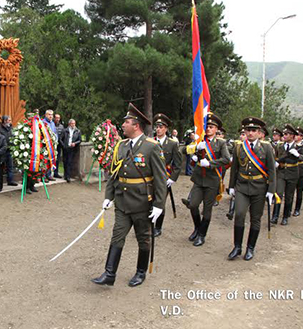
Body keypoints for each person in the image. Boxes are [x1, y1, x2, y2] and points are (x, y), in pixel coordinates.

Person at [92, 103, 166, 287]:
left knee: (143, 238)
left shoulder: (151, 147)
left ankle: (140, 272)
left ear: (136, 125)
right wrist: (108, 197)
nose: (122, 125)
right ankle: (109, 273)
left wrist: (159, 205)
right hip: (122, 202)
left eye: (126, 122)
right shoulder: (121, 146)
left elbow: (160, 178)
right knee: (117, 235)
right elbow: (113, 174)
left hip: (142, 203)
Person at [227, 117, 276, 260]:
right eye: (247, 130)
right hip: (242, 186)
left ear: (259, 132)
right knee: (240, 214)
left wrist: (271, 191)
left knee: (255, 218)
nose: (250, 133)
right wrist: (231, 186)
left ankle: (250, 248)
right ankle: (237, 246)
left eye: (253, 130)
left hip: (259, 188)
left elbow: (272, 170)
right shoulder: (239, 147)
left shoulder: (266, 147)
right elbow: (235, 168)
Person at [182, 113, 230, 247]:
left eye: (211, 127)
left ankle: (202, 235)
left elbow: (226, 159)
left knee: (207, 210)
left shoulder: (221, 143)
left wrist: (210, 163)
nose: (208, 129)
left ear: (216, 129)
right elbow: (183, 150)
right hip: (198, 179)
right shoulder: (199, 140)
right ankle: (197, 228)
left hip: (212, 179)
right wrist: (196, 150)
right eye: (206, 126)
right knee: (192, 204)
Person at [272, 124, 303, 226]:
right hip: (282, 172)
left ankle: (285, 216)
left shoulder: (298, 147)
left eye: (287, 134)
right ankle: (275, 216)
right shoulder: (280, 146)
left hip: (293, 173)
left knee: (289, 196)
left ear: (292, 136)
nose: (285, 136)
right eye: (284, 134)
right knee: (278, 193)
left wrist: (298, 155)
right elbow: (276, 157)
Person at [151, 113, 182, 237]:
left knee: (160, 202)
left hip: (164, 177)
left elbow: (178, 164)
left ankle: (158, 227)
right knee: (148, 201)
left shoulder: (172, 144)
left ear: (166, 128)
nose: (158, 129)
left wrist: (172, 178)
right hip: (150, 176)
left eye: (161, 126)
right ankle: (148, 225)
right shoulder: (150, 141)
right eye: (157, 126)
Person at [293, 127, 303, 217]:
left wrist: (299, 155)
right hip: (292, 170)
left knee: (299, 191)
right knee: (290, 192)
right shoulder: (291, 145)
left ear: (302, 137)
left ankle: (297, 209)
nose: (295, 136)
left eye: (298, 135)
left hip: (301, 169)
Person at [0, 115, 17, 186]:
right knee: (1, 166)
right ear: (4, 121)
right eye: (9, 120)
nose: (10, 122)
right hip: (2, 150)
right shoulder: (0, 128)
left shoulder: (11, 128)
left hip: (10, 149)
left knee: (10, 166)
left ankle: (10, 180)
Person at [42, 109, 57, 182]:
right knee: (45, 160)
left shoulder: (53, 123)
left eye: (52, 115)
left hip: (52, 145)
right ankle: (43, 176)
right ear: (45, 115)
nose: (51, 116)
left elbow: (55, 133)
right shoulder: (43, 122)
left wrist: (55, 140)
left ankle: (49, 174)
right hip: (45, 144)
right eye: (49, 114)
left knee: (51, 160)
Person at [54, 114, 65, 178]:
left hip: (59, 145)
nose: (57, 119)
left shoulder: (61, 126)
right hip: (52, 145)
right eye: (56, 118)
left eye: (58, 118)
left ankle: (56, 172)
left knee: (57, 159)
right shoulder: (51, 125)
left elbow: (63, 136)